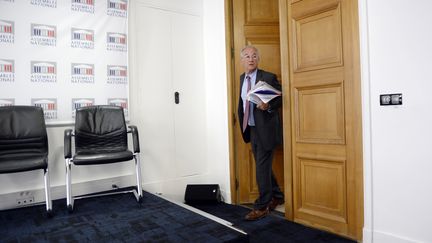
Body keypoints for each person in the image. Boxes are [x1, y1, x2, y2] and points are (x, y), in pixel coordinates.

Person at [237, 45, 284, 221]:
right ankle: (278, 195)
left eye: (254, 56)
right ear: (242, 60)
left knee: (261, 169)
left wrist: (268, 105)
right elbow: (242, 103)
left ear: (258, 59)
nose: (251, 59)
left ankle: (262, 206)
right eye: (247, 56)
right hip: (251, 128)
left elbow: (281, 96)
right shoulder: (243, 78)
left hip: (266, 129)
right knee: (262, 166)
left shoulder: (268, 77)